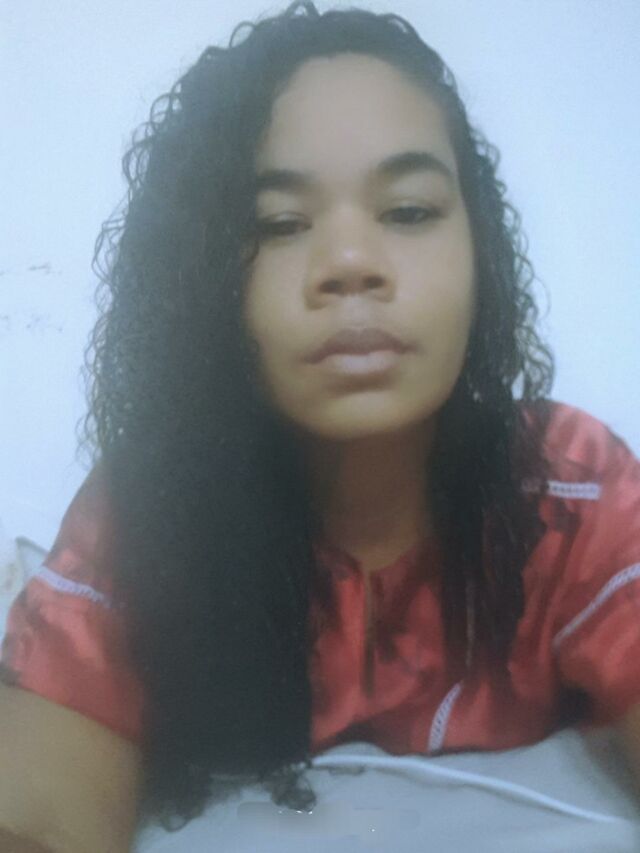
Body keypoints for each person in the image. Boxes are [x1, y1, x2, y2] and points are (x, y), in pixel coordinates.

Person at [1, 2, 640, 850]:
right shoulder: (145, 513)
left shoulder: (572, 490)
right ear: (201, 279)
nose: (349, 264)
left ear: (480, 251)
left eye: (408, 211)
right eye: (279, 224)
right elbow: (36, 817)